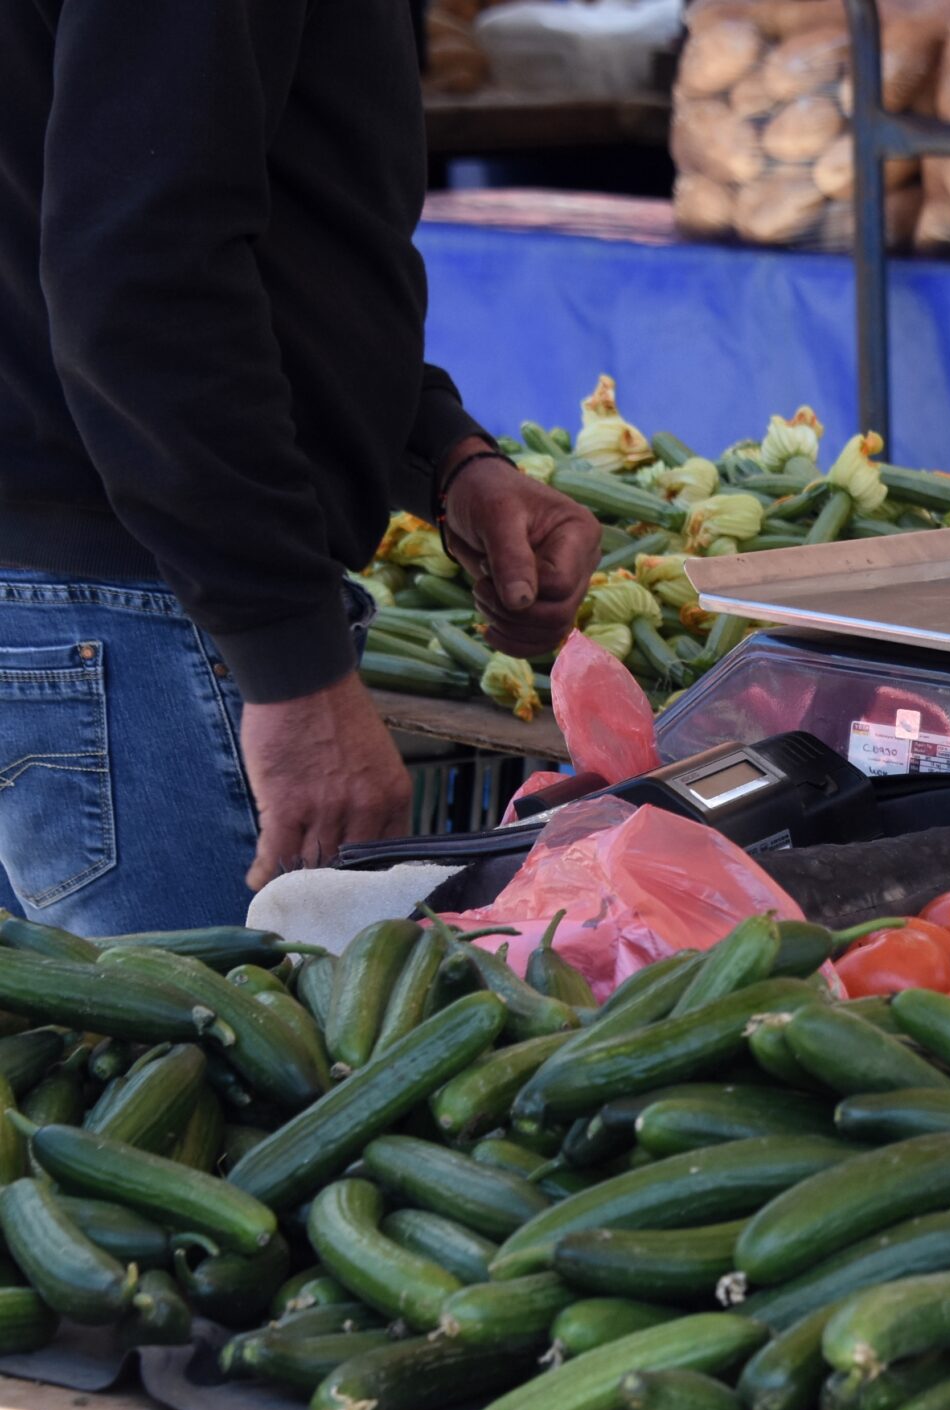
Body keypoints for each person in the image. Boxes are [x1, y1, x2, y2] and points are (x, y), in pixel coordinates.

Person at [0, 2, 599, 935]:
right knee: (213, 1067)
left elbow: (265, 227)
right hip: (128, 616)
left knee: (61, 1070)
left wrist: (441, 451)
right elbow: (145, 274)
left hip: (83, 596)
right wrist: (293, 667)